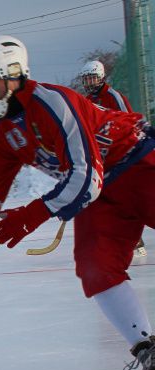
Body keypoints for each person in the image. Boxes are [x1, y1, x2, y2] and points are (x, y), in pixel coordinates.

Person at [0, 35, 155, 370]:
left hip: (139, 164)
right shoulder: (4, 134)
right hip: (105, 195)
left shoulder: (52, 102)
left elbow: (86, 177)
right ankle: (147, 349)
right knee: (96, 266)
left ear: (12, 73)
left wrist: (34, 213)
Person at [79, 60, 146, 257]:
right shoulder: (88, 100)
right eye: (86, 79)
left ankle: (135, 240)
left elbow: (128, 122)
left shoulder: (113, 96)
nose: (89, 82)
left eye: (92, 78)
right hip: (105, 155)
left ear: (101, 77)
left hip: (126, 152)